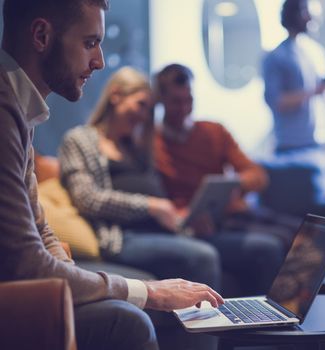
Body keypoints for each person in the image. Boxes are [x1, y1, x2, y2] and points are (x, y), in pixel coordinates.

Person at [0, 1, 223, 350]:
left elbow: (39, 226)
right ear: (41, 35)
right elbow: (26, 261)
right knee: (128, 321)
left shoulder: (22, 113)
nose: (99, 61)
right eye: (90, 43)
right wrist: (149, 291)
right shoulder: (6, 113)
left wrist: (67, 271)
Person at [59, 66, 221, 289]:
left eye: (149, 110)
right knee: (204, 256)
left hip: (160, 230)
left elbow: (158, 194)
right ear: (116, 96)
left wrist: (184, 220)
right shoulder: (79, 140)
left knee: (241, 247)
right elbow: (87, 198)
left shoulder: (137, 147)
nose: (144, 116)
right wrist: (150, 206)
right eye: (140, 105)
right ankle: (214, 324)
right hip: (122, 237)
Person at [153, 63, 286, 296]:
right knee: (271, 247)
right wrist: (184, 216)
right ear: (161, 100)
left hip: (236, 216)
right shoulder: (152, 144)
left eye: (189, 100)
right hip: (200, 228)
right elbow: (155, 198)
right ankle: (267, 322)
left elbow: (257, 175)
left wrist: (235, 185)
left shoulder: (213, 132)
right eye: (176, 102)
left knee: (305, 240)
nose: (184, 108)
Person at [262, 0, 325, 206]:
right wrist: (312, 92)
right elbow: (276, 101)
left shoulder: (317, 52)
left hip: (320, 148)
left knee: (324, 211)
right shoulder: (276, 57)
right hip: (290, 150)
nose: (311, 17)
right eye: (304, 12)